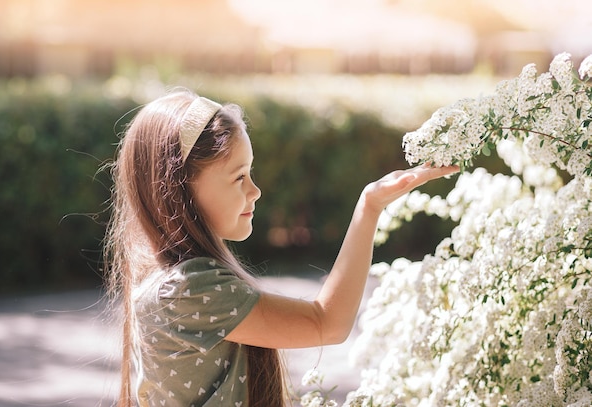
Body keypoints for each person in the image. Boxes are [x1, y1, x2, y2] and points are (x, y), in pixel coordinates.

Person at [104, 87, 459, 407]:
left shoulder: (166, 282)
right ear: (180, 189)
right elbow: (327, 323)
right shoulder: (189, 288)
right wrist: (369, 208)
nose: (254, 191)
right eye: (239, 176)